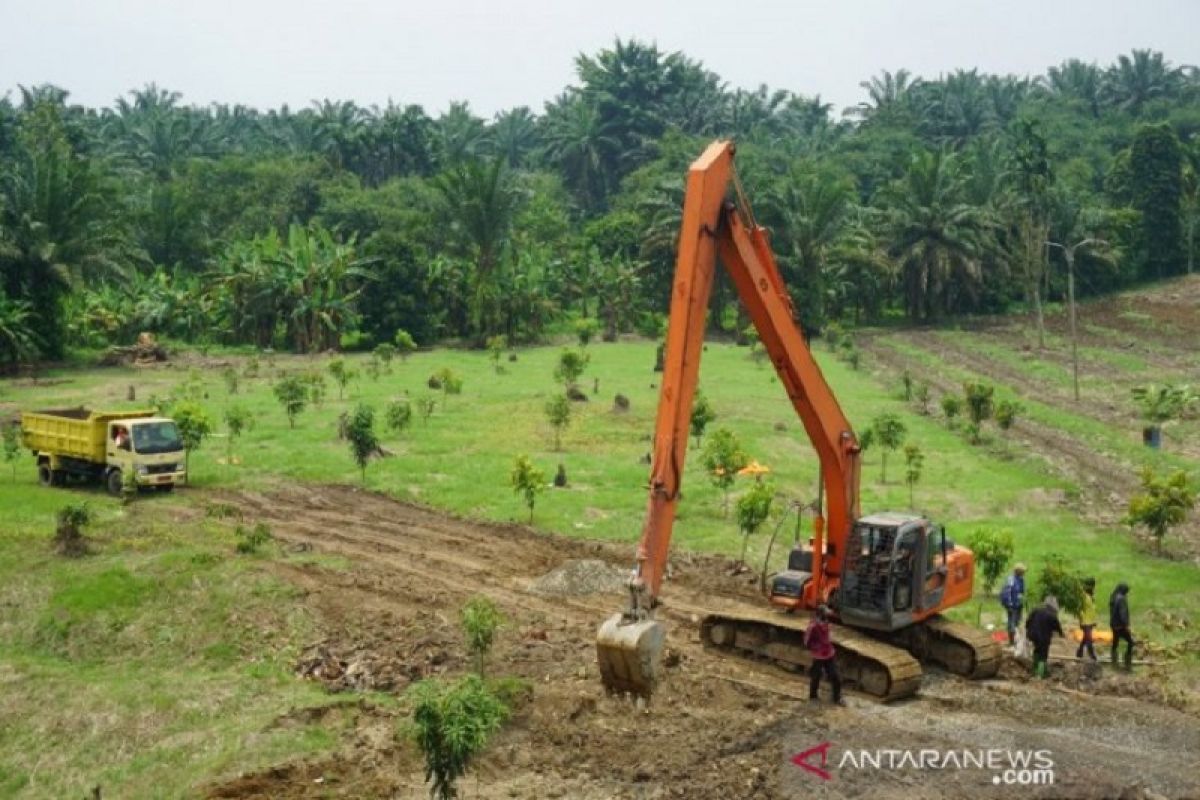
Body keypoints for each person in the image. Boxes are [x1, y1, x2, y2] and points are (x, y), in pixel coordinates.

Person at [804, 605, 844, 706]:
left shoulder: (826, 622)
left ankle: (837, 698)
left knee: (835, 676)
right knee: (816, 676)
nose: (828, 615)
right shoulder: (813, 626)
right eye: (825, 613)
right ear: (820, 614)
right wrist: (817, 647)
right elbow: (806, 642)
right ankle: (813, 696)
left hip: (829, 653)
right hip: (819, 655)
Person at [1025, 595, 1065, 678]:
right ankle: (1041, 673)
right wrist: (1062, 634)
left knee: (1036, 650)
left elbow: (1028, 621)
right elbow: (1057, 627)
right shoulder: (1052, 616)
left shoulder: (1036, 610)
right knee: (1043, 654)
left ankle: (1034, 670)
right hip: (1043, 637)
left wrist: (1028, 629)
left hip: (1032, 634)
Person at [1109, 582, 1135, 669]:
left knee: (1115, 641)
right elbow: (1123, 614)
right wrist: (1126, 626)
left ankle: (1113, 657)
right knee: (1131, 642)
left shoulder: (1114, 597)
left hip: (1113, 624)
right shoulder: (1122, 599)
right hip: (1120, 626)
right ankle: (1127, 659)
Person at [1000, 563, 1027, 646]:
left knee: (1016, 622)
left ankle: (1015, 640)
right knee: (1012, 623)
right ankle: (1011, 642)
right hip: (1012, 605)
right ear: (1018, 572)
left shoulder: (1021, 580)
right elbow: (1007, 593)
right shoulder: (1011, 580)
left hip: (1018, 604)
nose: (1023, 574)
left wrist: (1022, 600)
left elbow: (1021, 592)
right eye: (1022, 572)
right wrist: (1009, 604)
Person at [1076, 578, 1098, 661]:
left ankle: (1079, 652)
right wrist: (1081, 621)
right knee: (1089, 639)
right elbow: (1080, 610)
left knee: (1086, 638)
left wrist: (1094, 621)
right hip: (1085, 622)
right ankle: (1092, 656)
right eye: (1093, 586)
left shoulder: (1090, 596)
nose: (1094, 588)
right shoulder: (1083, 596)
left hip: (1090, 621)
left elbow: (1091, 610)